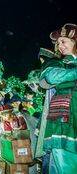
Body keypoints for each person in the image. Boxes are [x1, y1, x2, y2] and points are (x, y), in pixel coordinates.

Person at [38, 23, 77, 172]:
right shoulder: (56, 62)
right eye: (58, 42)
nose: (59, 46)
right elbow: (51, 76)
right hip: (63, 120)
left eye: (63, 41)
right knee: (65, 164)